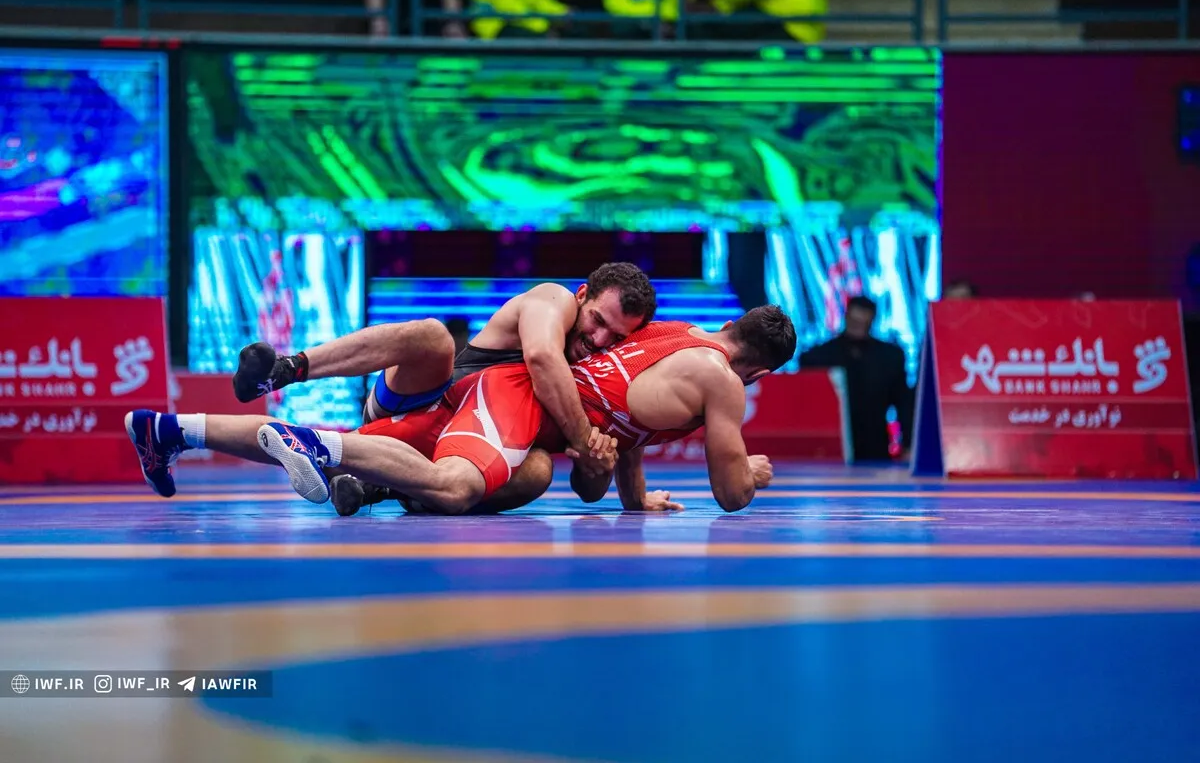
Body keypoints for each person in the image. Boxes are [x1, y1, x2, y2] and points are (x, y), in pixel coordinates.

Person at [125, 306, 793, 514]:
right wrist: (754, 473)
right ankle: (309, 412)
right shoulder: (724, 384)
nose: (598, 338)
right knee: (456, 485)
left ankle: (170, 429)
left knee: (526, 472)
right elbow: (730, 495)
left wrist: (631, 494)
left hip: (493, 406)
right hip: (502, 394)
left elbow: (621, 436)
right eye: (595, 323)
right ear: (760, 371)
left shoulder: (671, 334)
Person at [232, 262, 656, 504]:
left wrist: (613, 477)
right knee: (435, 337)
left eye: (616, 336)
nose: (600, 339)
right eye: (597, 320)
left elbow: (596, 481)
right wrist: (583, 438)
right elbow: (542, 357)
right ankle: (285, 370)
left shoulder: (607, 372)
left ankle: (389, 486)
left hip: (461, 452)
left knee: (539, 469)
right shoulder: (554, 300)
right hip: (420, 401)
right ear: (581, 295)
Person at [799, 295, 912, 463]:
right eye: (854, 321)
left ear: (872, 321)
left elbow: (904, 404)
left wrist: (908, 444)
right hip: (829, 446)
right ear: (846, 317)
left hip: (875, 444)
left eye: (863, 322)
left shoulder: (890, 357)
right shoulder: (817, 357)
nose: (858, 326)